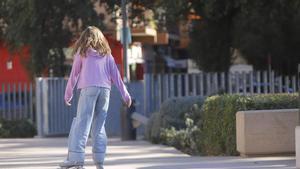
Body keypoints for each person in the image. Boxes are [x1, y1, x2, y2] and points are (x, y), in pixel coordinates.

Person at [60, 26, 132, 169]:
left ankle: (77, 160)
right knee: (99, 127)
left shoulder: (82, 53)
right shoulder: (107, 55)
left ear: (84, 38)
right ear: (100, 39)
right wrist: (126, 95)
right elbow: (116, 77)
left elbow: (74, 74)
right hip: (105, 90)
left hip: (89, 90)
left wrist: (68, 94)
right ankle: (99, 162)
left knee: (82, 124)